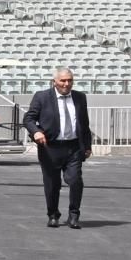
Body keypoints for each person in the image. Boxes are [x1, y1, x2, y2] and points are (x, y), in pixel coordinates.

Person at [22, 67, 92, 228]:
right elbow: (29, 119)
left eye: (70, 80)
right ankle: (53, 214)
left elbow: (84, 124)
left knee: (75, 180)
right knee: (52, 184)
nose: (66, 84)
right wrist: (36, 132)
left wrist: (87, 146)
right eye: (63, 80)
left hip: (73, 147)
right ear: (55, 82)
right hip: (50, 148)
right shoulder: (42, 97)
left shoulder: (80, 97)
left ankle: (74, 215)